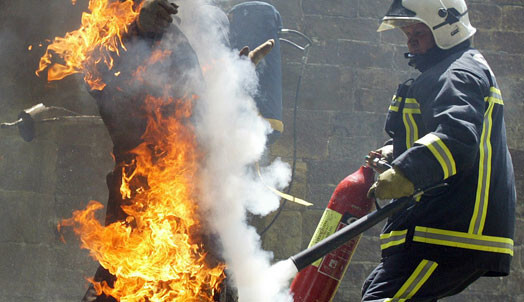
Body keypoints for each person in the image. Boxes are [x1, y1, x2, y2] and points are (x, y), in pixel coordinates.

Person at [81, 1, 273, 301]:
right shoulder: (119, 23)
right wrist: (137, 30)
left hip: (196, 210)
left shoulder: (177, 37)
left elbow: (199, 112)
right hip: (146, 208)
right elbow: (98, 76)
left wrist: (238, 76)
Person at [364, 0, 516, 301]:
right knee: (376, 290)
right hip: (439, 227)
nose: (410, 41)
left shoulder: (457, 72)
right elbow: (446, 133)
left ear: (447, 28)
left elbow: (458, 136)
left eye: (418, 32)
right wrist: (399, 154)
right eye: (407, 34)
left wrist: (407, 172)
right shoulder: (452, 69)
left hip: (447, 229)